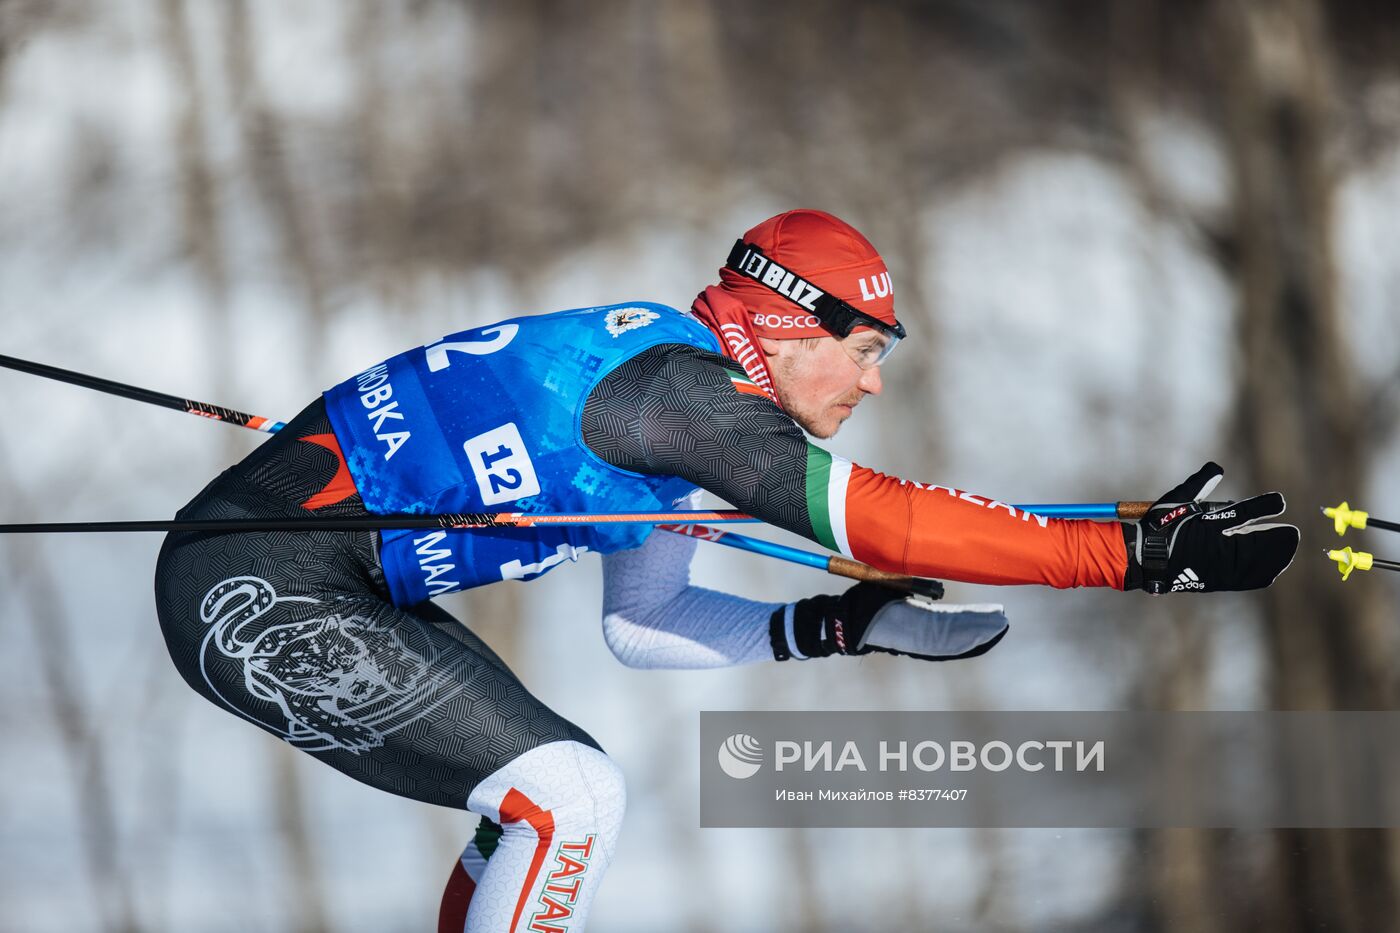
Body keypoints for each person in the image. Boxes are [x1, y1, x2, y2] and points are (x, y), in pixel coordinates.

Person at [152, 209, 1299, 932]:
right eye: (863, 354)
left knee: (536, 807)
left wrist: (834, 630)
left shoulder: (669, 403)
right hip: (256, 581)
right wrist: (1125, 557)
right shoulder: (682, 398)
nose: (871, 385)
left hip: (320, 580)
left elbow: (641, 626)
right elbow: (879, 524)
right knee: (567, 797)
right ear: (791, 330)